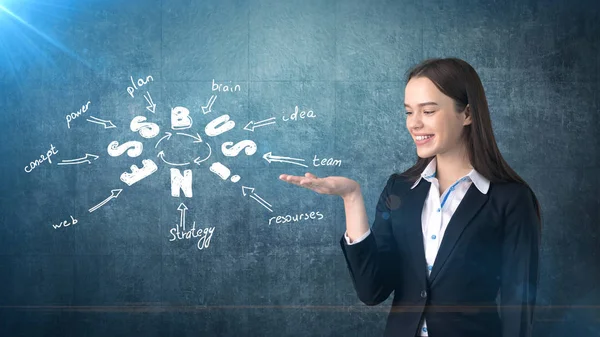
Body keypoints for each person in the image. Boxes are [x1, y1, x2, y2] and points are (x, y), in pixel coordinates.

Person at [279, 57, 542, 337]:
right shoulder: (400, 190)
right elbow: (372, 291)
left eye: (428, 111)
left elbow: (519, 307)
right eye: (408, 112)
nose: (414, 124)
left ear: (467, 114)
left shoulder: (511, 199)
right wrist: (351, 197)